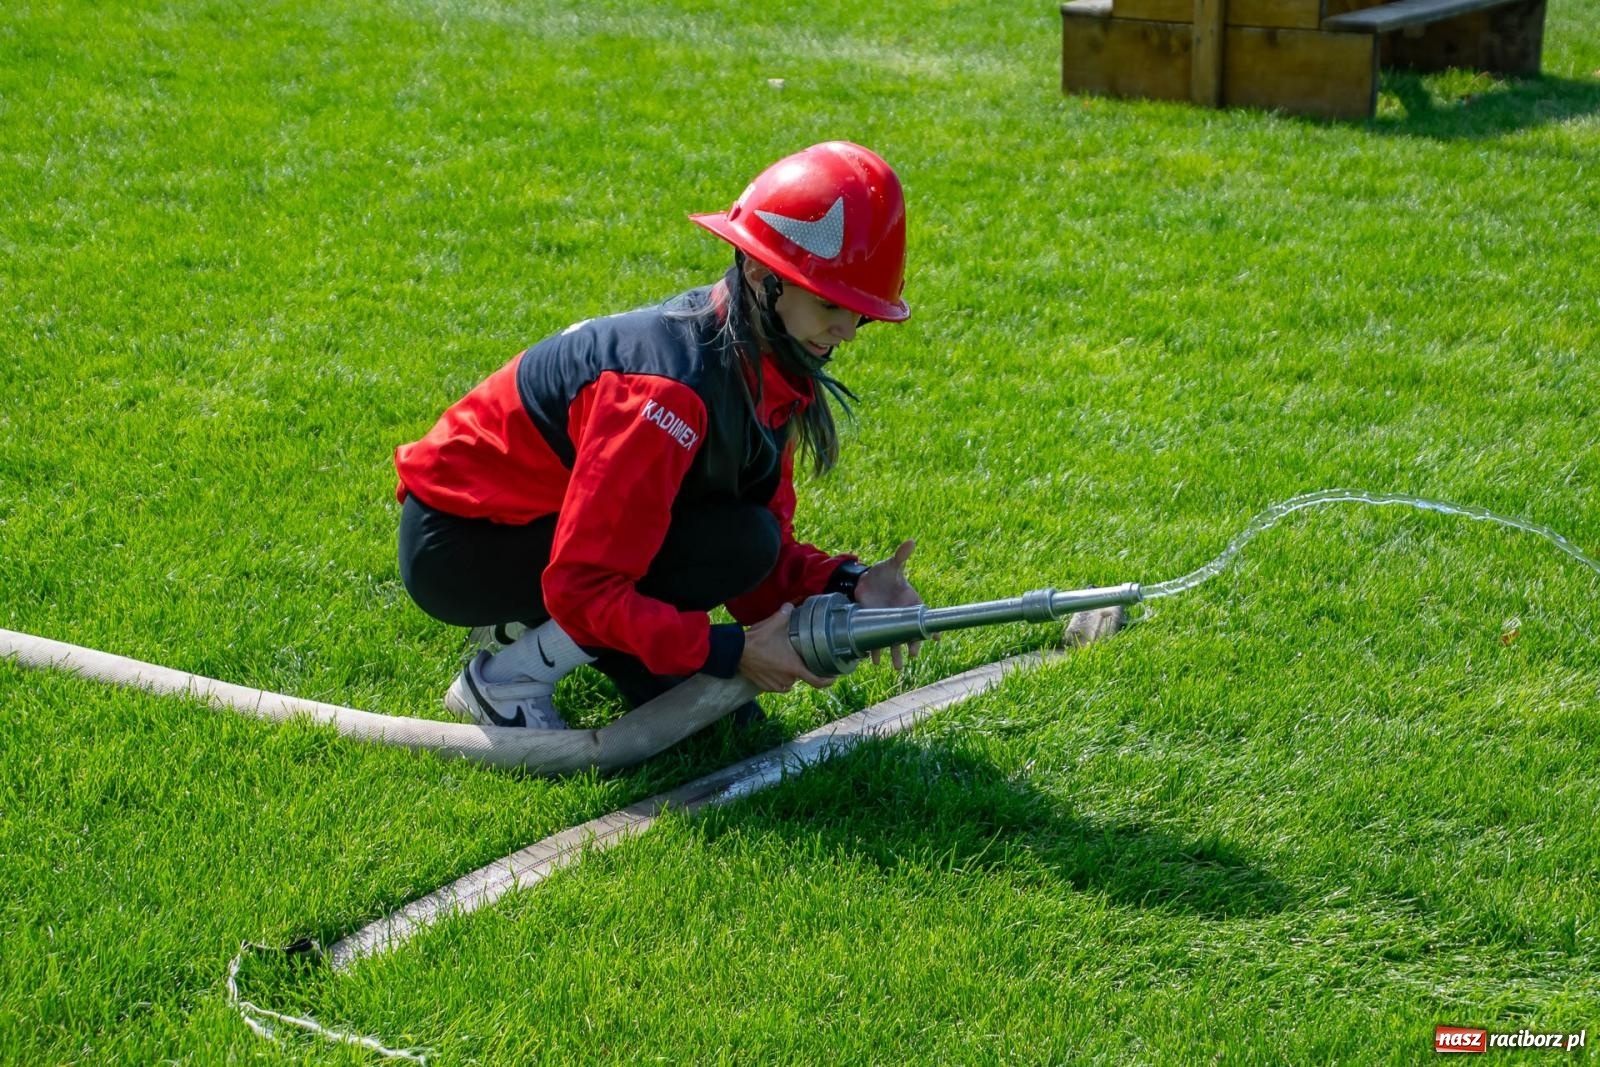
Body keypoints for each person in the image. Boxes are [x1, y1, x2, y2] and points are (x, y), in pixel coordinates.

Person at [393, 142, 927, 729]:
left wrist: (850, 585)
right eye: (831, 303)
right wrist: (730, 650)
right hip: (461, 547)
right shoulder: (666, 394)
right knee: (704, 559)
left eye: (861, 314)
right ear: (759, 273)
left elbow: (756, 565)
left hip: (534, 528)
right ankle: (507, 681)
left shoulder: (771, 368)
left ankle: (550, 629)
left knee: (747, 541)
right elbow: (583, 588)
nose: (847, 331)